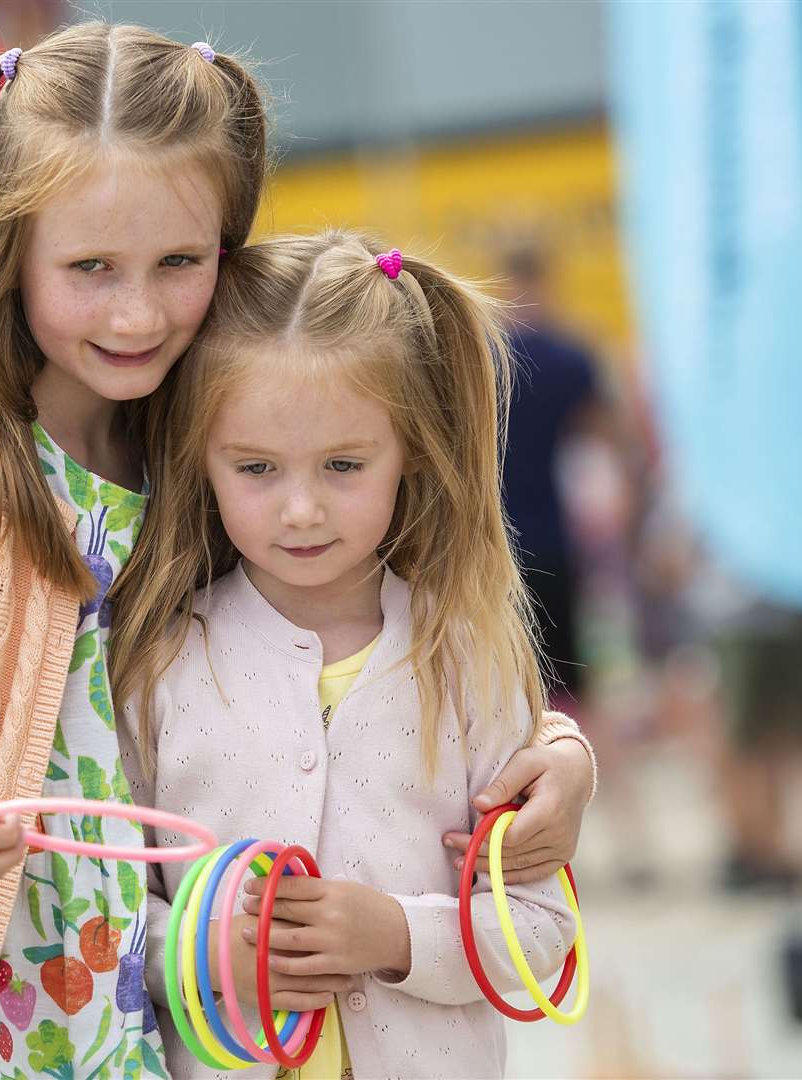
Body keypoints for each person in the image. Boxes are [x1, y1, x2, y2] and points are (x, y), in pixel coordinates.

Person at [0, 24, 593, 1080]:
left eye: (179, 263)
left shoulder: (203, 427)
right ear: (5, 246)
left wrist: (560, 759)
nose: (138, 311)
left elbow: (390, 630)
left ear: (228, 247)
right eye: (90, 268)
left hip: (135, 1032)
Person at [114, 232, 589, 1078]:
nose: (300, 510)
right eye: (256, 467)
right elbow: (107, 909)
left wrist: (398, 934)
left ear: (411, 449)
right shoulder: (156, 664)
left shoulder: (467, 657)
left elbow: (542, 926)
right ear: (201, 461)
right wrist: (199, 953)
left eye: (343, 465)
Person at [500, 247, 609, 710]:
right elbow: (604, 437)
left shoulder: (487, 356)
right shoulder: (571, 358)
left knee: (506, 667)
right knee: (566, 674)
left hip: (495, 536)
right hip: (553, 533)